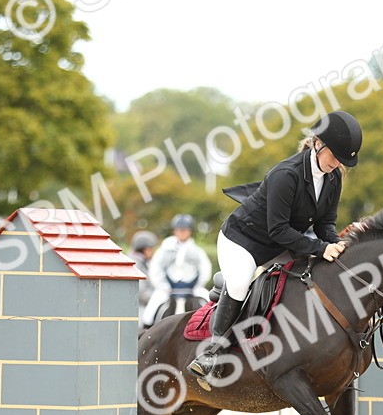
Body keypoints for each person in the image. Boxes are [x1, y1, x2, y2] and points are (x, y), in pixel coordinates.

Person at [188, 110, 362, 380]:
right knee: (238, 285)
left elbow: (324, 226)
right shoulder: (287, 174)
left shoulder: (333, 177)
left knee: (313, 277)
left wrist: (339, 245)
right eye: (335, 155)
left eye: (342, 159)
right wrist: (320, 248)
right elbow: (278, 229)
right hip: (243, 241)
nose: (338, 163)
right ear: (318, 143)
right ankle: (212, 351)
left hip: (284, 241)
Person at [141, 214, 212, 328]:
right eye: (179, 230)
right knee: (152, 306)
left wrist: (198, 284)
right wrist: (163, 285)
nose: (182, 233)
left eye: (185, 230)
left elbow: (205, 268)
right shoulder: (165, 249)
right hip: (168, 287)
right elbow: (156, 267)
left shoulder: (197, 251)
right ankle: (146, 328)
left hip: (192, 287)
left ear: (190, 231)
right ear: (175, 231)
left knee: (210, 302)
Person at [128, 229, 159, 318]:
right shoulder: (135, 264)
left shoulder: (145, 262)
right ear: (142, 249)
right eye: (150, 249)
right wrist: (158, 298)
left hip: (146, 303)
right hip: (138, 307)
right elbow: (141, 292)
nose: (152, 251)